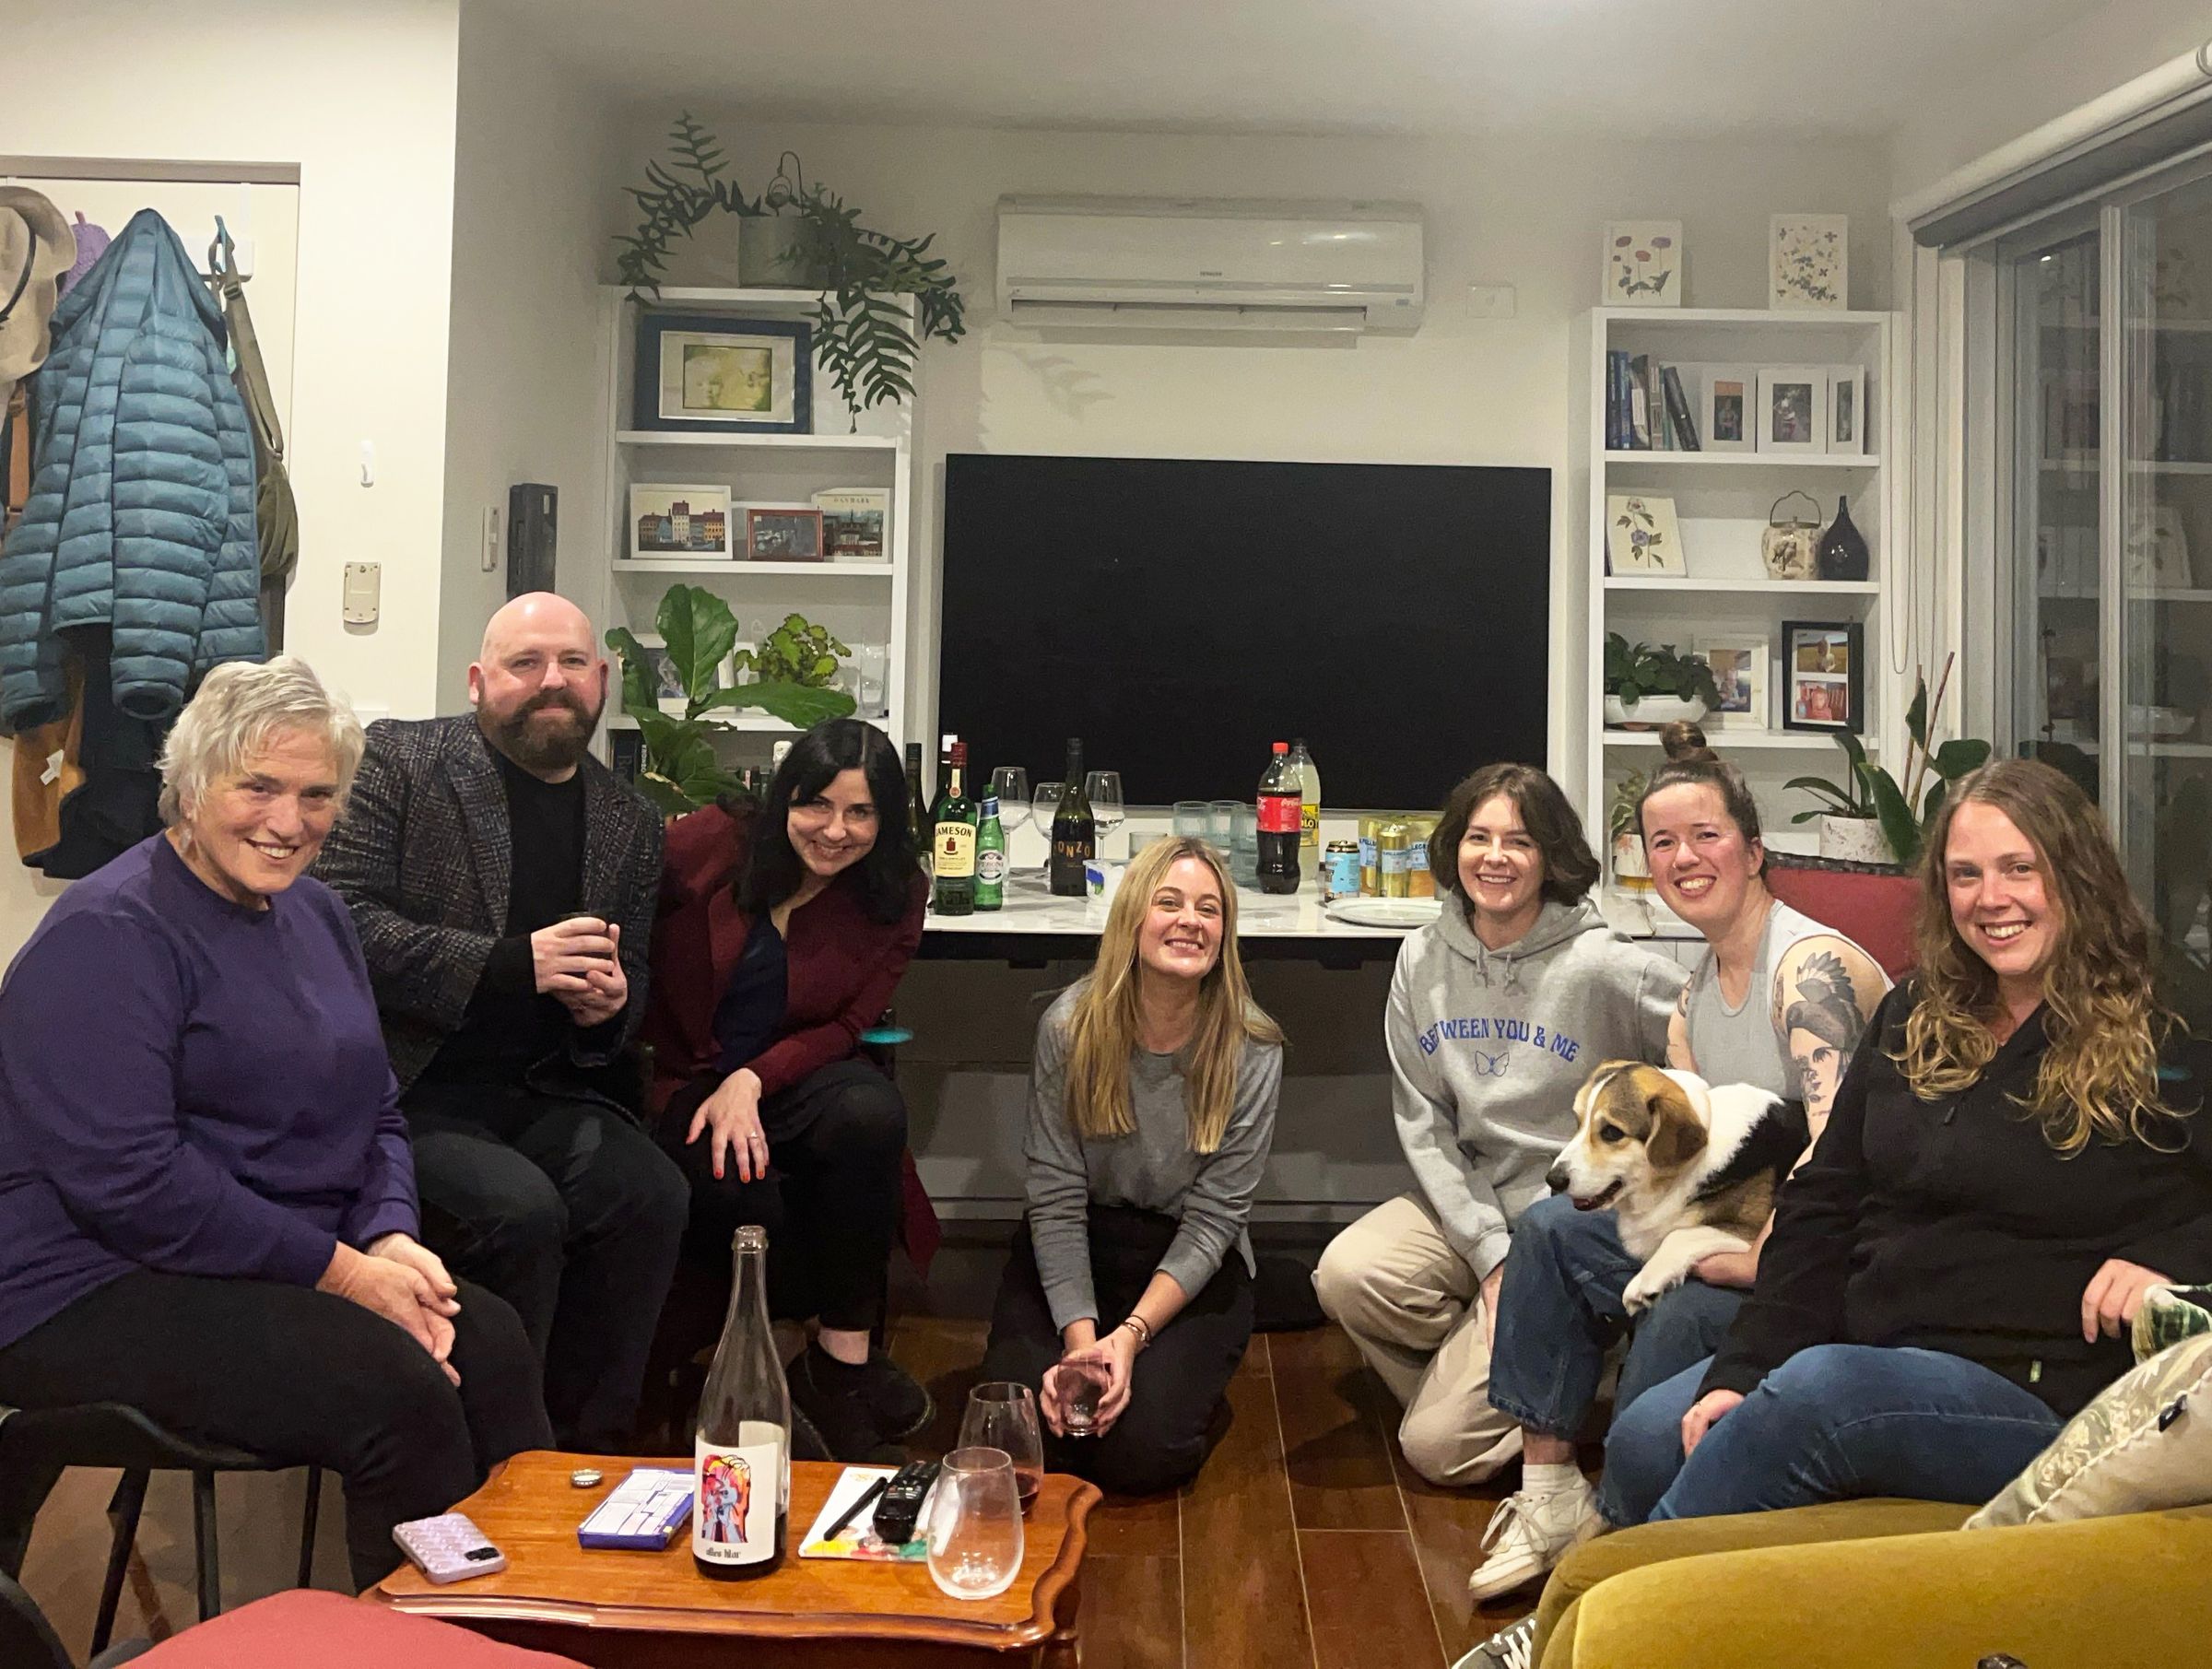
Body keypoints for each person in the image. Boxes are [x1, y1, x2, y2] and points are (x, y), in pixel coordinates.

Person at [0, 659, 549, 1588]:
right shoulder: (110, 929)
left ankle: (529, 1617)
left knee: (487, 1339)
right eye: (257, 786)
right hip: (83, 1278)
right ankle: (418, 1648)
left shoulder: (318, 911)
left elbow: (373, 1101)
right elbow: (134, 1183)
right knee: (396, 1390)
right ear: (190, 780)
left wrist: (392, 1233)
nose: (288, 821)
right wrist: (344, 1273)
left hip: (256, 1248)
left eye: (316, 794)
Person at [1599, 758, 2212, 1532]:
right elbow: (1826, 1197)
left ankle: (1608, 1632)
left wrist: (2177, 1263)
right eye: (1966, 874)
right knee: (1650, 1438)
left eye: (2020, 868)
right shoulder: (1918, 1009)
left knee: (1826, 1393)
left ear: (2078, 873)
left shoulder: (2171, 1016)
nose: (1992, 899)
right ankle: (1603, 1612)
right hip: (1877, 1331)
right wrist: (1743, 1371)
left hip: (2041, 1382)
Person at [1466, 728, 1888, 1610]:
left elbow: (1837, 1161)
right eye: (1663, 842)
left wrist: (1748, 1258)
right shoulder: (1697, 986)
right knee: (1549, 1227)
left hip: (1817, 1258)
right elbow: (1679, 1162)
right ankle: (1548, 1496)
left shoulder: (1809, 970)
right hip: (1733, 1226)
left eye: (1707, 835)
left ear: (1753, 846)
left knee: (1682, 1303)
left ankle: (1631, 1543)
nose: (1684, 857)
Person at [313, 593, 685, 1452]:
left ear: (602, 681)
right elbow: (338, 920)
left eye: (572, 664)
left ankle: (593, 1454)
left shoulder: (629, 819)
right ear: (480, 681)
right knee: (521, 1214)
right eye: (526, 664)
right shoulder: (402, 761)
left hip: (550, 1090)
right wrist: (512, 964)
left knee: (652, 1193)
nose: (551, 682)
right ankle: (489, 1457)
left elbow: (633, 973)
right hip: (408, 1092)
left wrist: (610, 1005)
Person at [1312, 764, 1685, 1495]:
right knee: (1348, 1273)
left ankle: (1567, 1363)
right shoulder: (1420, 959)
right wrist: (1489, 1255)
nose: (1496, 856)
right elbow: (1424, 1123)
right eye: (1479, 837)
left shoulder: (1606, 965)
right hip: (1474, 1204)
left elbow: (1705, 1030)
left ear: (1550, 856)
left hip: (1572, 1224)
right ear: (1453, 847)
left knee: (1435, 1450)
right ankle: (1534, 1375)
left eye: (1519, 840)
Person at [643, 718, 930, 1461]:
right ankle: (781, 1370)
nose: (836, 831)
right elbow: (619, 887)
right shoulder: (712, 843)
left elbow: (851, 1023)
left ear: (886, 819)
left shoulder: (895, 894)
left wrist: (754, 1077)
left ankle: (840, 1365)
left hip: (789, 1071)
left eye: (861, 812)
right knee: (750, 1192)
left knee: (871, 1112)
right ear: (785, 797)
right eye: (818, 805)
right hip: (685, 1074)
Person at [979, 835, 1283, 1496]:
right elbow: (1054, 1199)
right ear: (1132, 919)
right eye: (1168, 902)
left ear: (1224, 932)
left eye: (1209, 909)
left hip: (1184, 1262)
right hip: (1080, 1241)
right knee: (1027, 1440)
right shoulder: (1068, 1026)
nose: (1189, 921)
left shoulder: (1252, 1047)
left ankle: (1187, 1375)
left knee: (1140, 1457)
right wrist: (1084, 1344)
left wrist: (1132, 1337)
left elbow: (1215, 1218)